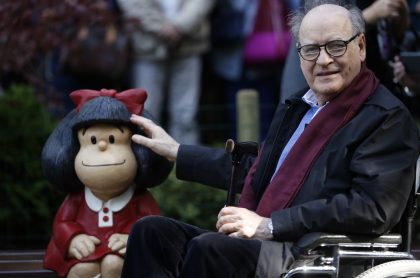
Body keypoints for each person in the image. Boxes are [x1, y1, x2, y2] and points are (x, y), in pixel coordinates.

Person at [122, 1, 419, 277]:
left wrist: (270, 225)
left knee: (210, 248)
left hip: (313, 252)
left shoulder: (386, 118)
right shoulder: (297, 107)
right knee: (152, 233)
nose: (324, 60)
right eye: (312, 50)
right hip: (272, 245)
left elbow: (372, 209)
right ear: (300, 55)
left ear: (362, 46)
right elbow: (259, 171)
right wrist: (177, 151)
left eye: (337, 46)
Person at [41, 89, 173, 277]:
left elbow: (152, 224)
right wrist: (73, 238)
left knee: (114, 265)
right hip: (86, 256)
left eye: (113, 139)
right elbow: (62, 222)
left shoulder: (139, 198)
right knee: (81, 270)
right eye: (92, 140)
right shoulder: (78, 199)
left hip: (123, 255)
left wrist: (133, 238)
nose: (102, 147)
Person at [116, 0, 215, 145]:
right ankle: (147, 161)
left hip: (189, 43)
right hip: (147, 46)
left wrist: (181, 26)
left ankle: (186, 161)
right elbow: (132, 4)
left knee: (186, 114)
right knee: (146, 111)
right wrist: (161, 27)